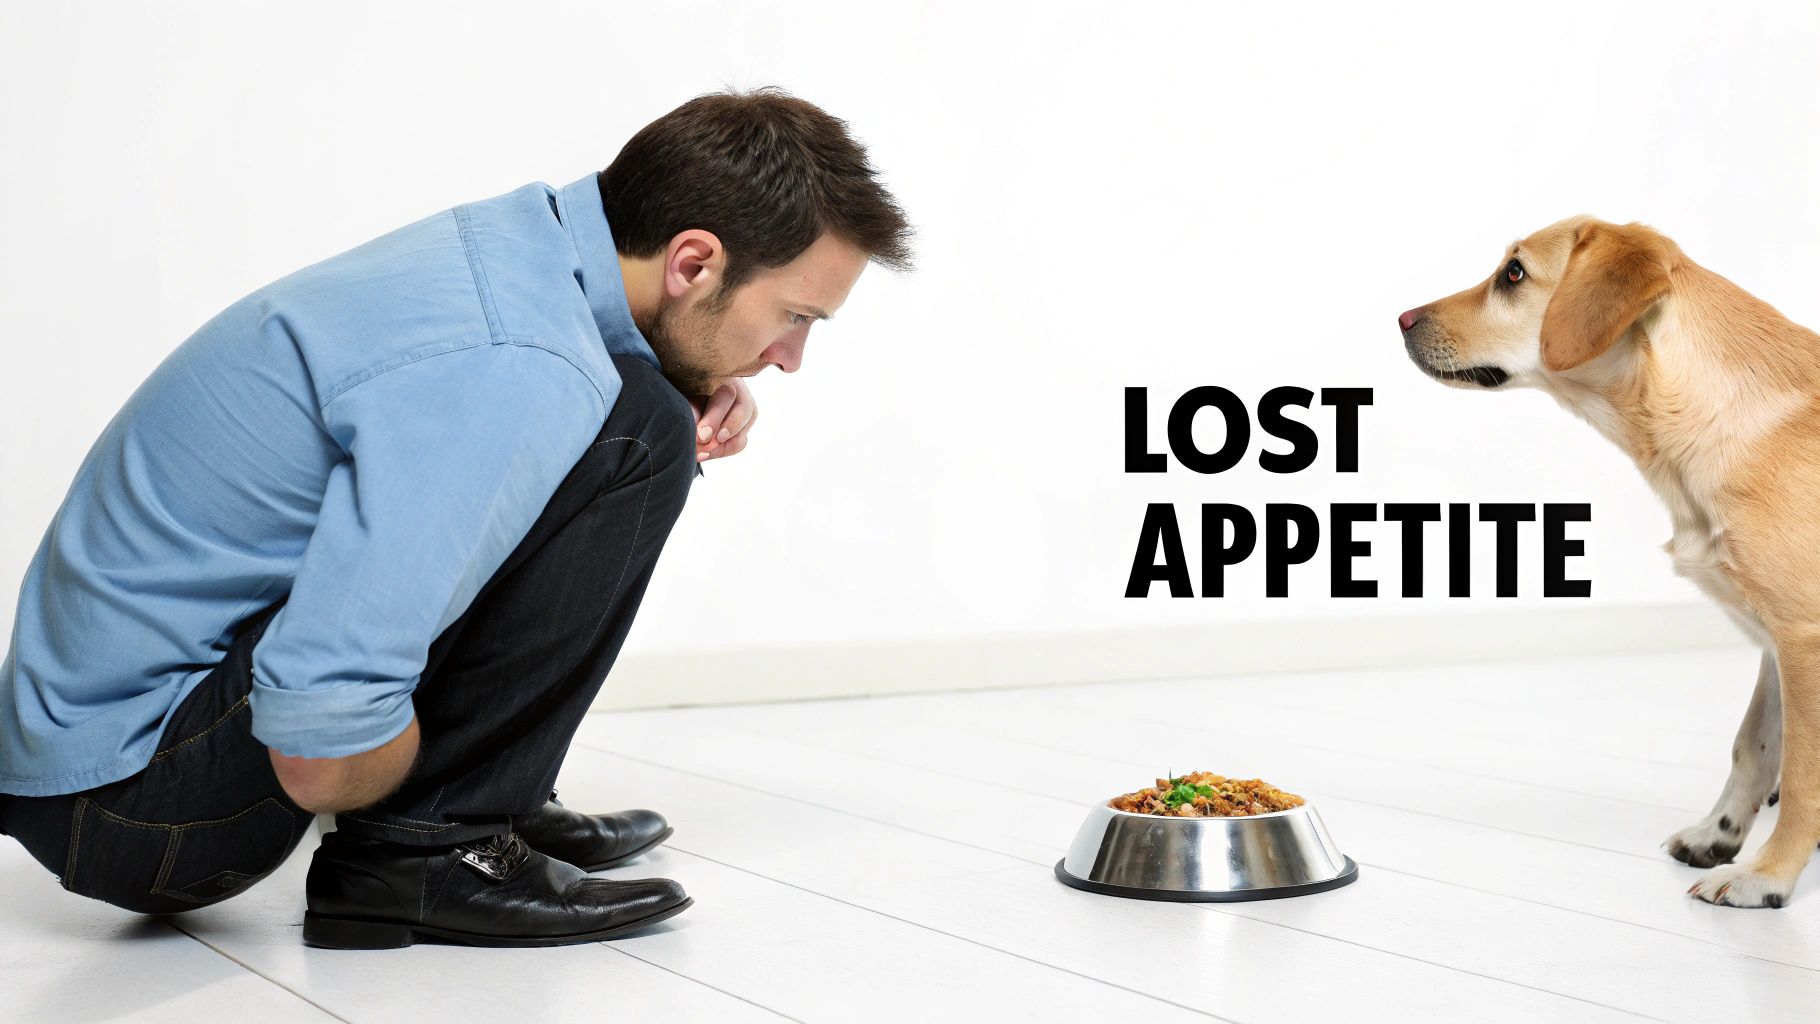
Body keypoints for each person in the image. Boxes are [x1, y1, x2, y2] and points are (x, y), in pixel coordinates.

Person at [0, 86, 914, 949]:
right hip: (131, 807)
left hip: (97, 753)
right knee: (637, 434)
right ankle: (432, 848)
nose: (790, 358)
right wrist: (412, 784)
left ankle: (484, 800)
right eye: (794, 316)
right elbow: (320, 738)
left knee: (642, 414)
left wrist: (689, 382)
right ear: (694, 262)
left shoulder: (522, 256)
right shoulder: (518, 361)